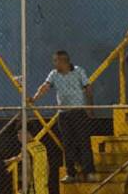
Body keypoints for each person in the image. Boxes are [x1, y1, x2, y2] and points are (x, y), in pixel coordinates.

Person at [29, 50, 94, 182]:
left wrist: (90, 107)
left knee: (83, 142)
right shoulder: (54, 74)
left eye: (57, 61)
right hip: (63, 113)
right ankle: (71, 173)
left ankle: (89, 172)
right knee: (67, 144)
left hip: (78, 111)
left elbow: (88, 88)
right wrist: (34, 98)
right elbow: (45, 87)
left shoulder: (78, 71)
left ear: (64, 61)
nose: (55, 63)